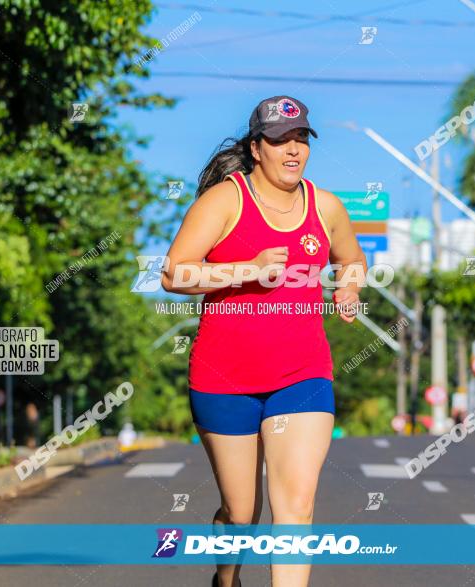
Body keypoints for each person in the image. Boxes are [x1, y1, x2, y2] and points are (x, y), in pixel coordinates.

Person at [162, 95, 366, 587]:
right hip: (224, 380)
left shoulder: (327, 207)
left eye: (301, 139)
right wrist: (247, 270)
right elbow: (174, 273)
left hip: (302, 376)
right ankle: (225, 578)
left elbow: (352, 258)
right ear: (257, 148)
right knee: (241, 512)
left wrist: (349, 287)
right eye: (280, 140)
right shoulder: (225, 201)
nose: (292, 149)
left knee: (295, 506)